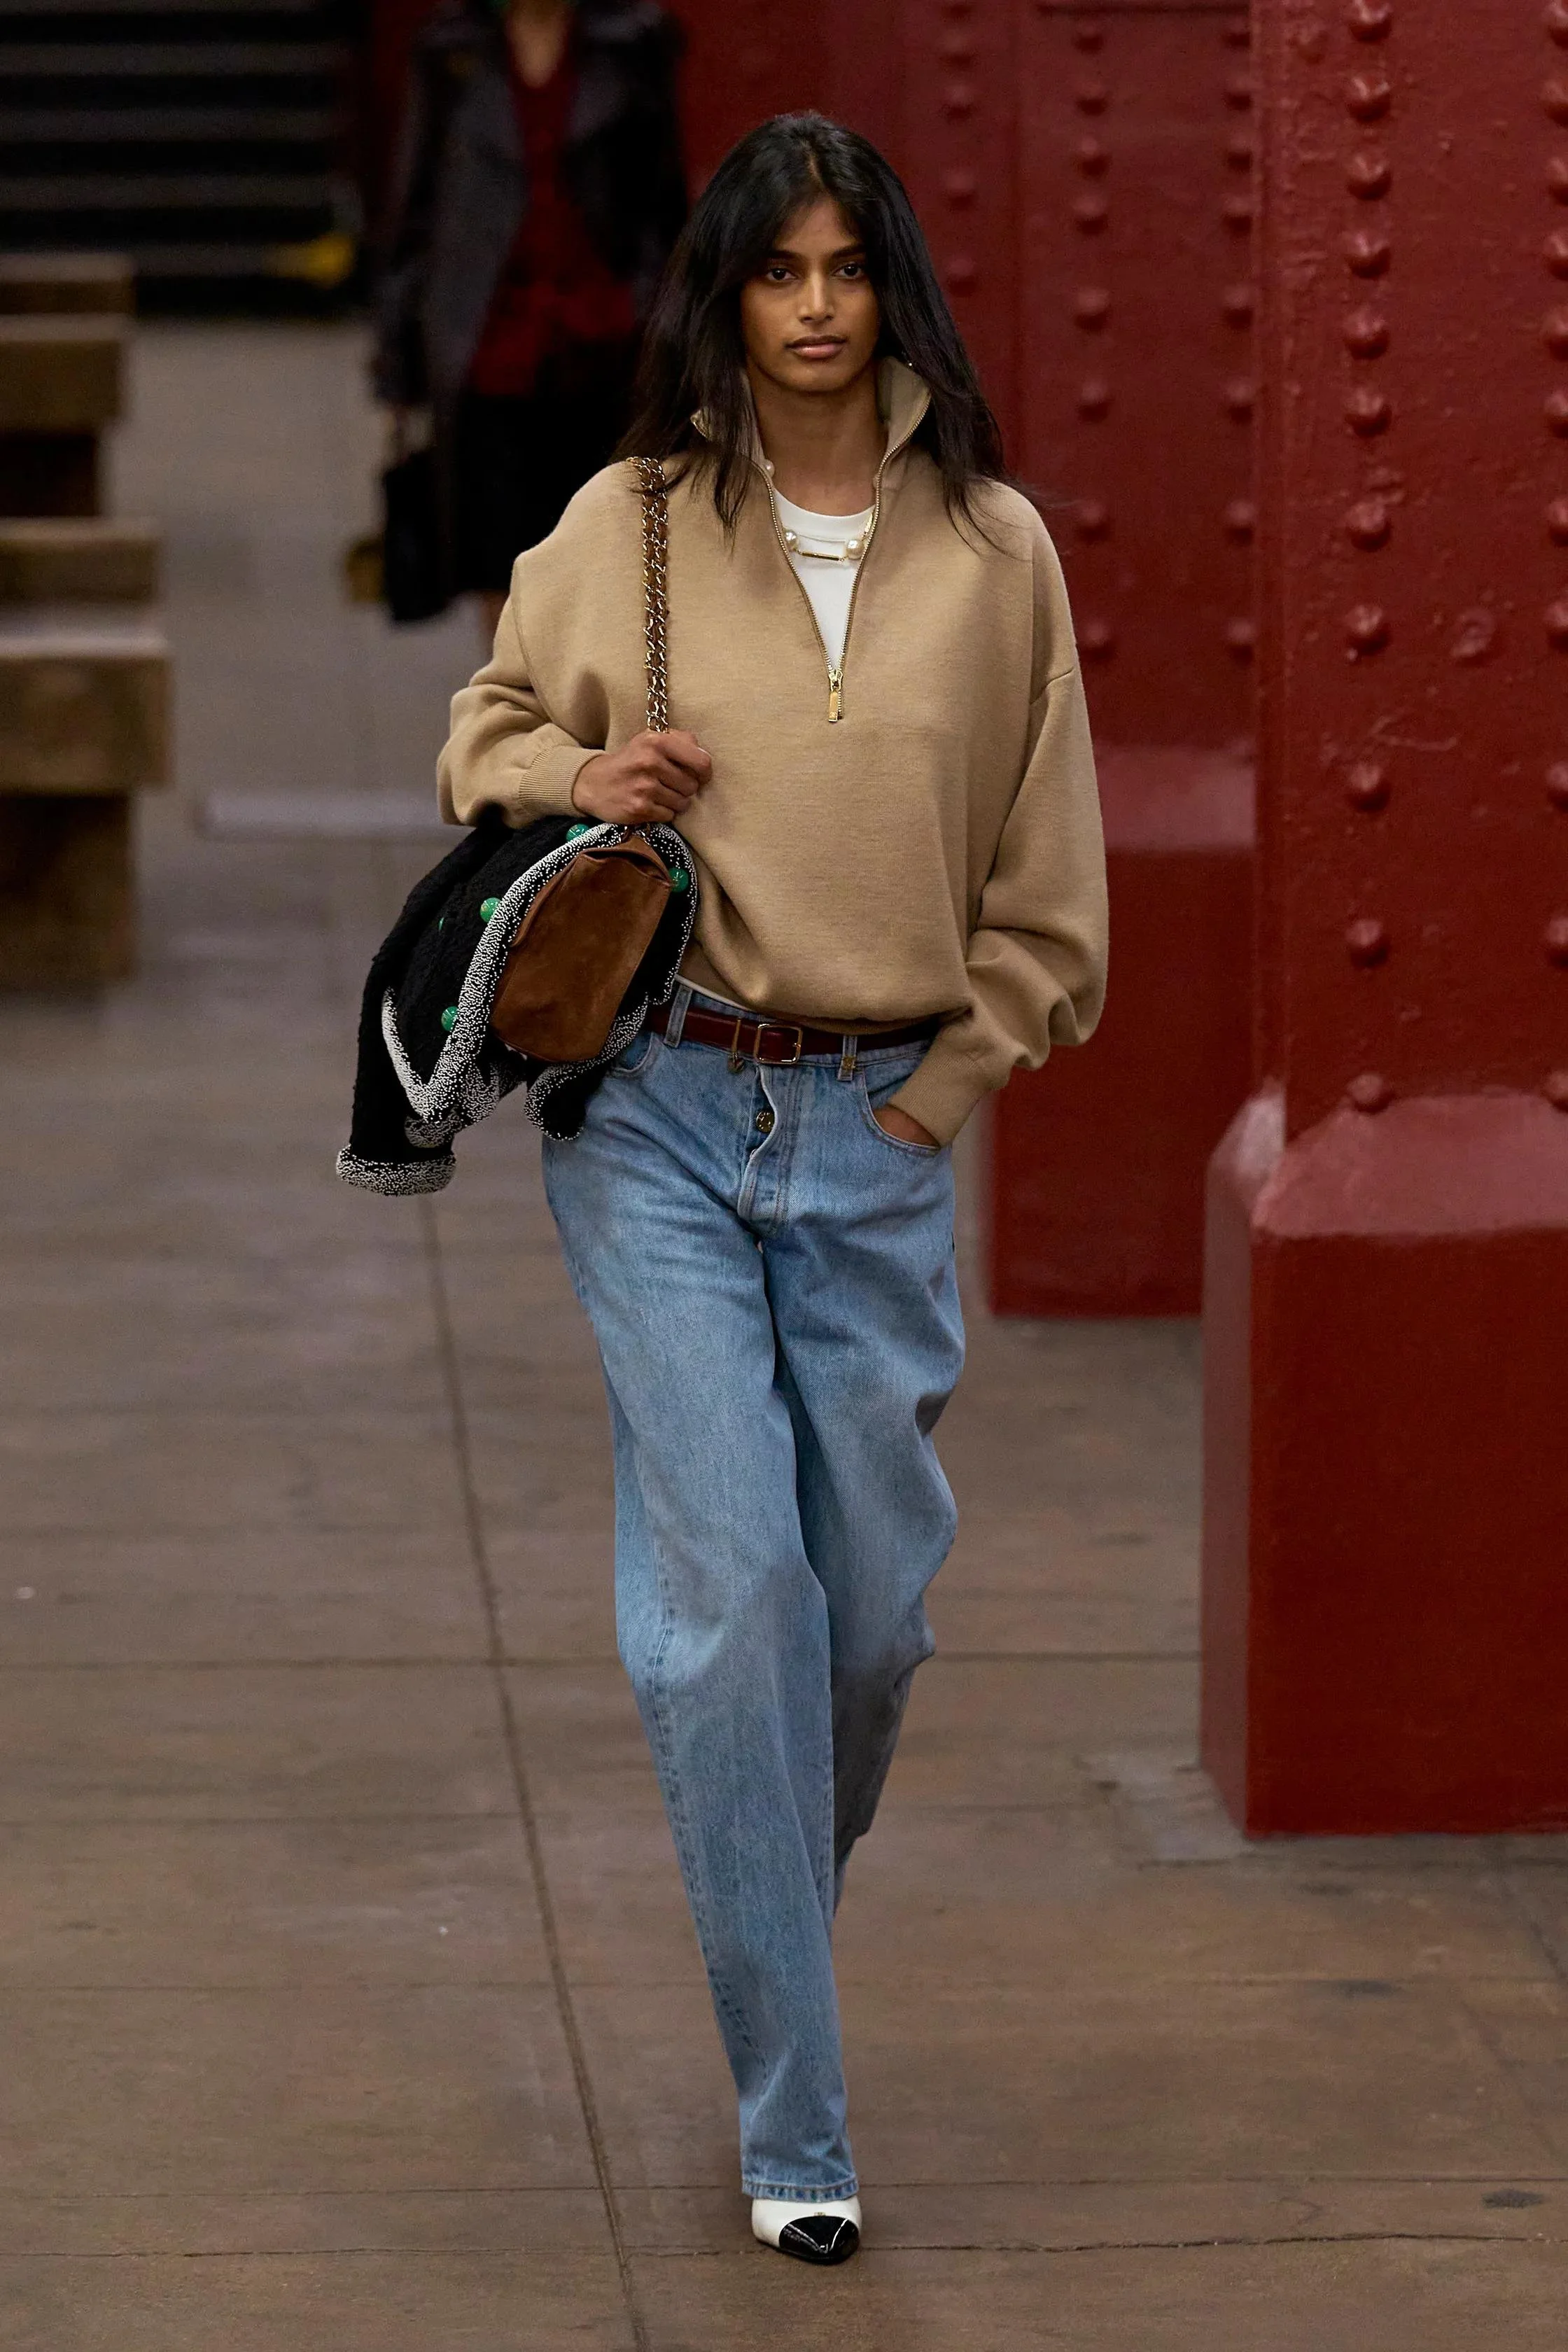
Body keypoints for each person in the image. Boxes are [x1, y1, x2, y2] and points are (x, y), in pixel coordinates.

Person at [437, 113, 1107, 2265]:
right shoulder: (630, 518)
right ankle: (795, 2126)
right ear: (723, 293)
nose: (813, 307)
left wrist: (945, 1090)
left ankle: (758, 1906)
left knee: (871, 1617)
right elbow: (481, 727)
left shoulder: (994, 550)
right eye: (773, 270)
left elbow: (1050, 888)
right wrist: (574, 769)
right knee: (732, 1597)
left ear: (889, 284)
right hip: (655, 1110)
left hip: (873, 1132)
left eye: (844, 267)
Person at [372, 0, 686, 631]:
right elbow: (417, 212)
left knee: (605, 554)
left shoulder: (630, 48)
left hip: (605, 346)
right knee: (499, 563)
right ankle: (513, 693)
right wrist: (398, 365)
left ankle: (583, 692)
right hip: (489, 343)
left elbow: (664, 205)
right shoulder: (451, 55)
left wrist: (651, 309)